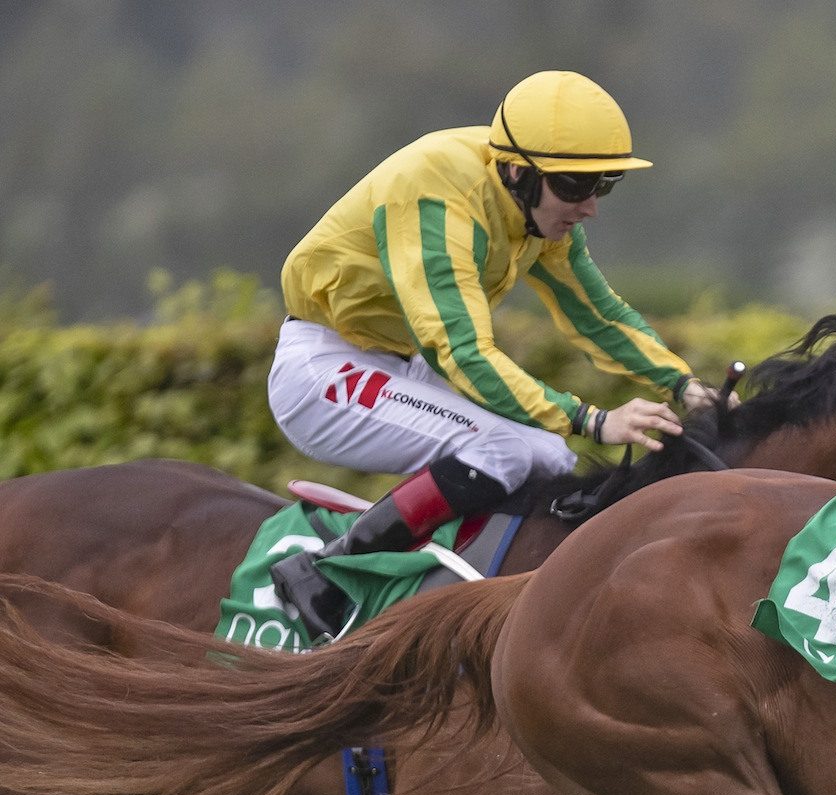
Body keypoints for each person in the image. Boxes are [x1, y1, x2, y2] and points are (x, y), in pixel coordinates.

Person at [266, 70, 727, 641]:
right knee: (507, 449)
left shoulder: (534, 206)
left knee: (550, 456)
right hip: (322, 369)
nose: (590, 208)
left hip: (388, 361)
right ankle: (326, 569)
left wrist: (682, 384)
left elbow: (597, 313)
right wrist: (594, 420)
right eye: (577, 187)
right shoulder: (438, 192)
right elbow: (462, 353)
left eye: (603, 185)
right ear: (518, 173)